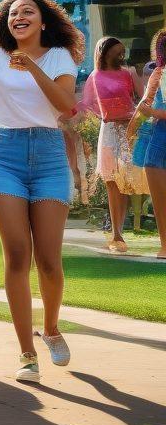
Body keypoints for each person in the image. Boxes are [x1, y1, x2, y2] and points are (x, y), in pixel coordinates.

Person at [0, 0, 83, 383]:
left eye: (28, 12)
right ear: (4, 24)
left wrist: (31, 68)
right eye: (12, 14)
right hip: (4, 153)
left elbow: (65, 106)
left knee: (48, 260)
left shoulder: (59, 56)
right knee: (16, 256)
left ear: (43, 22)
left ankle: (53, 328)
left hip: (48, 155)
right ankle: (27, 351)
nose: (18, 17)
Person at [79, 37, 146, 253]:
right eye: (117, 52)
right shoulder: (95, 76)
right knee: (111, 181)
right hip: (108, 131)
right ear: (104, 52)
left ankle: (123, 227)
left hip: (128, 131)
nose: (121, 55)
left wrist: (133, 117)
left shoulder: (129, 72)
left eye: (122, 52)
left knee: (126, 179)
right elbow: (87, 103)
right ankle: (116, 234)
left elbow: (144, 97)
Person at [133, 31, 166, 259]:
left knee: (159, 194)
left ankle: (165, 245)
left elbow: (147, 108)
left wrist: (150, 112)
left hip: (160, 136)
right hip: (158, 134)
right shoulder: (158, 72)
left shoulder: (161, 73)